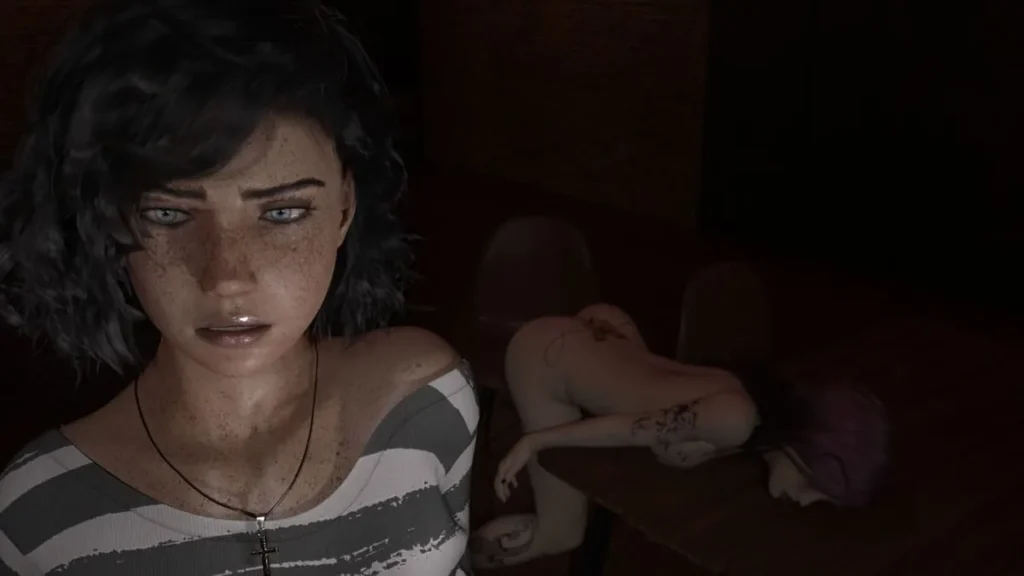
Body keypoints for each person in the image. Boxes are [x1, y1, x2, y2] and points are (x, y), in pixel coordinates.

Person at [0, 1, 477, 575]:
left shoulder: (427, 397)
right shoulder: (37, 513)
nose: (226, 278)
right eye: (169, 215)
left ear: (344, 207)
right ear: (112, 222)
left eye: (282, 212)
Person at [471, 264, 888, 569]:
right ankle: (453, 559)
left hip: (600, 330)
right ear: (805, 447)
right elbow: (628, 430)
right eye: (818, 488)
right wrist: (536, 441)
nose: (808, 501)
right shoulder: (737, 419)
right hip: (544, 358)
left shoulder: (749, 407)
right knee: (562, 534)